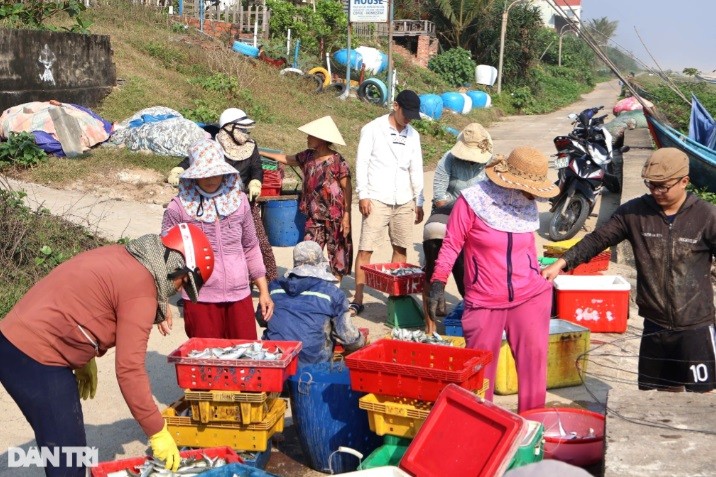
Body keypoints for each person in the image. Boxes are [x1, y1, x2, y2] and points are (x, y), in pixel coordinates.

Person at [0, 223, 215, 476]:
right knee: (68, 456)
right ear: (175, 264)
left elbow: (82, 300)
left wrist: (81, 358)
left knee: (68, 448)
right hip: (34, 355)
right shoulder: (142, 289)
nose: (178, 290)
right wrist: (157, 431)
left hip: (17, 340)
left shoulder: (126, 256)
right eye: (183, 283)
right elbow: (129, 370)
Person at [542, 147, 716, 393]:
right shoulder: (634, 212)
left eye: (662, 186)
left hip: (695, 325)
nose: (655, 192)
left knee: (701, 397)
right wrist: (563, 262)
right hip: (655, 324)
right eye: (651, 185)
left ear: (684, 182)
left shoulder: (707, 215)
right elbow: (598, 239)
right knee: (660, 396)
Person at [428, 146, 559, 413]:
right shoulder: (472, 201)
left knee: (534, 372)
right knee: (479, 379)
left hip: (531, 297)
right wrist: (438, 283)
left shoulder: (528, 202)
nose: (531, 192)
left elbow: (527, 248)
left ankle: (532, 433)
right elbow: (452, 244)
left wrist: (541, 278)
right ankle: (483, 436)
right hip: (484, 299)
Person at [162, 138, 273, 339]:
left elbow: (250, 246)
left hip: (239, 294)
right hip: (200, 297)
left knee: (244, 357)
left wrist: (263, 291)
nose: (211, 179)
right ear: (193, 176)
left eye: (215, 173)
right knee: (206, 360)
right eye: (204, 174)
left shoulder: (240, 203)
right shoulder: (178, 207)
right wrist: (162, 300)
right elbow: (166, 256)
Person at [168, 107, 278, 283]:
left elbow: (257, 167)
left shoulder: (251, 145)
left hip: (242, 201)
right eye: (241, 129)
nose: (244, 133)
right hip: (211, 201)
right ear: (228, 127)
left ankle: (265, 281)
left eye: (245, 129)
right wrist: (178, 169)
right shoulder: (213, 144)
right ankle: (198, 284)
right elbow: (194, 160)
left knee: (257, 241)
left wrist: (255, 182)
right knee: (208, 244)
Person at [350, 89, 425, 316]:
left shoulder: (413, 135)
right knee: (366, 248)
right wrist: (363, 194)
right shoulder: (373, 129)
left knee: (400, 247)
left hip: (403, 199)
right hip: (376, 197)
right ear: (395, 106)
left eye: (413, 115)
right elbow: (361, 163)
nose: (409, 119)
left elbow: (416, 169)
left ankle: (396, 295)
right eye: (406, 113)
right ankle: (358, 297)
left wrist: (418, 200)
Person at [260, 116, 353, 282]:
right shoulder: (307, 156)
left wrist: (347, 215)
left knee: (338, 253)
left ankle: (335, 288)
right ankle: (310, 285)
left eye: (311, 135)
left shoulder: (338, 161)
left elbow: (347, 188)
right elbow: (289, 159)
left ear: (321, 139)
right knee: (309, 251)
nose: (307, 138)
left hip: (335, 216)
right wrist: (262, 153)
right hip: (314, 216)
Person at [422, 123, 493, 333]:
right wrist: (464, 204)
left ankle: (476, 321)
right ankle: (430, 327)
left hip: (479, 216)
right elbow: (439, 198)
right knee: (433, 236)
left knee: (468, 271)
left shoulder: (492, 163)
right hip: (448, 212)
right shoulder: (448, 159)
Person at [262, 241, 366, 364]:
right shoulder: (332, 293)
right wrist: (361, 341)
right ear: (319, 263)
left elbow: (262, 318)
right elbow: (348, 336)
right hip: (313, 364)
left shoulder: (274, 288)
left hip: (275, 360)